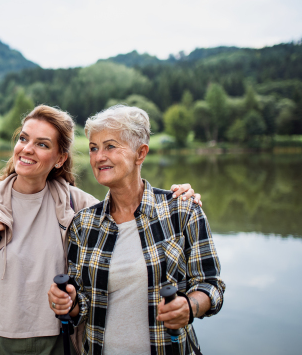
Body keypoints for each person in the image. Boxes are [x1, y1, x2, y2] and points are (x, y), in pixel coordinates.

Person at [0, 105, 201, 355]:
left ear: (60, 158)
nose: (27, 149)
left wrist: (180, 199)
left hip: (58, 342)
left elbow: (126, 209)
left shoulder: (79, 207)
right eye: (24, 138)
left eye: (42, 144)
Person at [47, 105, 225, 355]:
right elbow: (83, 304)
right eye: (93, 148)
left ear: (140, 154)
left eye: (110, 146)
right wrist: (69, 302)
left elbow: (211, 284)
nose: (99, 157)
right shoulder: (83, 224)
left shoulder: (183, 211)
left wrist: (190, 306)